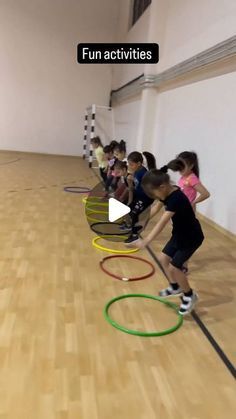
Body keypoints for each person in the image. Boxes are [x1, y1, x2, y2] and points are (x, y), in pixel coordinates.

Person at [128, 166, 204, 315]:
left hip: (191, 237)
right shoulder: (169, 191)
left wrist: (146, 241)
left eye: (154, 193)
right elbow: (156, 207)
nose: (154, 197)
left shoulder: (176, 199)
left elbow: (162, 223)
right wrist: (144, 222)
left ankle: (190, 295)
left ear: (162, 187)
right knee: (163, 259)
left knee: (175, 267)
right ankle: (175, 287)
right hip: (179, 234)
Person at [121, 151, 157, 243]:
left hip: (145, 198)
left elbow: (147, 188)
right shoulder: (137, 171)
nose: (129, 166)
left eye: (131, 164)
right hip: (139, 195)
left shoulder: (144, 174)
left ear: (139, 163)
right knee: (125, 207)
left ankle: (134, 235)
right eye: (129, 164)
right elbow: (135, 186)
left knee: (134, 213)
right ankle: (129, 225)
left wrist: (134, 182)